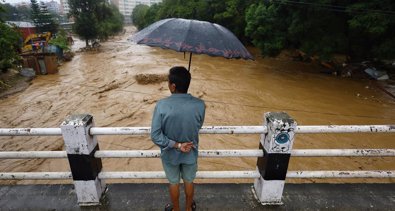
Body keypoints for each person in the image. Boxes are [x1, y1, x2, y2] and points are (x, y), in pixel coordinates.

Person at [151, 66, 205, 211]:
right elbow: (197, 126)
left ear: (173, 86)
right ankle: (188, 208)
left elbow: (155, 135)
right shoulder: (200, 105)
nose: (168, 85)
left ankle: (176, 209)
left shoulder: (161, 105)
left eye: (168, 82)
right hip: (190, 152)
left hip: (170, 154)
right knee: (189, 181)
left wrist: (176, 145)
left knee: (174, 182)